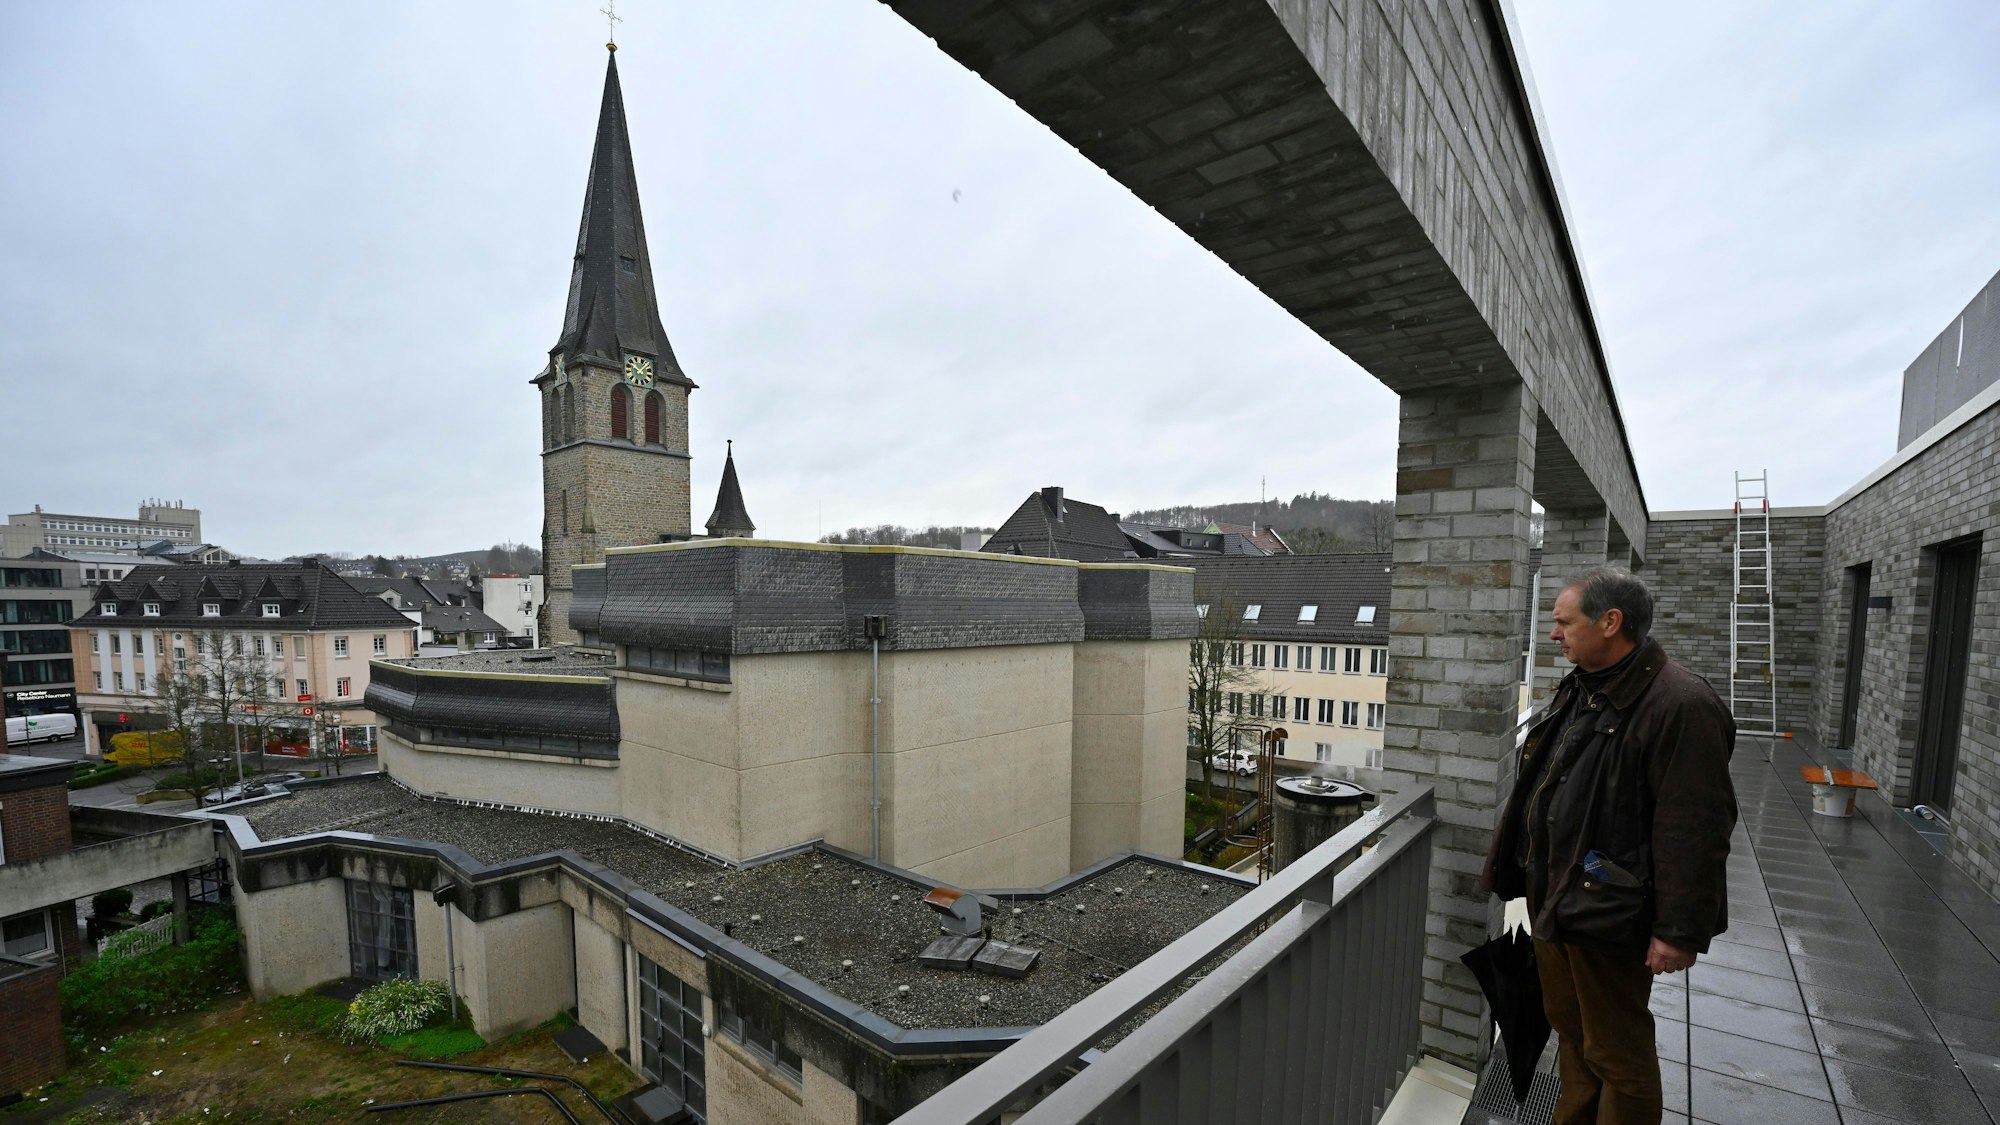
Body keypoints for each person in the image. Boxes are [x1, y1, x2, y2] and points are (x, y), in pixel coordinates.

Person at [1482, 566, 1736, 1125]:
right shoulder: (1587, 686)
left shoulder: (1681, 704)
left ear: (1610, 622)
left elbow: (1696, 827)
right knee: (1572, 1032)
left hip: (1608, 910)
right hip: (1559, 897)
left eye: (1565, 622)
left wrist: (1678, 930)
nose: (1554, 634)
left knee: (1617, 1052)